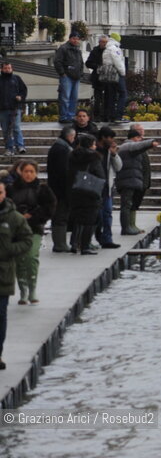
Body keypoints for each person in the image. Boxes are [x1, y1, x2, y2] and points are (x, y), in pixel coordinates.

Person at [10, 159, 55, 305]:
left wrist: (35, 216)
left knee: (31, 258)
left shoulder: (42, 189)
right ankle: (23, 290)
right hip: (15, 230)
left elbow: (50, 207)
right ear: (20, 172)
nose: (29, 174)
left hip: (34, 228)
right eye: (26, 171)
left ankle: (32, 289)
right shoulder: (11, 189)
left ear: (36, 173)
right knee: (19, 261)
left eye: (32, 171)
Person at [0, 179, 32, 368]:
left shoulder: (13, 218)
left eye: (0, 192)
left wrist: (10, 249)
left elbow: (27, 239)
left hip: (3, 275)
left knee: (0, 316)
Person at [117, 125, 158, 235]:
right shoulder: (128, 146)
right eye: (139, 137)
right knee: (126, 204)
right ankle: (126, 227)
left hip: (133, 180)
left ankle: (131, 225)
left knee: (132, 204)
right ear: (134, 138)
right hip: (128, 180)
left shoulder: (132, 147)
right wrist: (151, 143)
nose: (141, 140)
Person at [67, 134, 105, 255]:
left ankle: (74, 243)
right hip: (90, 191)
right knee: (90, 219)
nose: (95, 146)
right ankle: (85, 246)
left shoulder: (73, 156)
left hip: (75, 189)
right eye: (94, 144)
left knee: (78, 218)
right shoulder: (94, 157)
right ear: (90, 145)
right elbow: (100, 174)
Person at [46, 126, 75, 253]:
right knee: (60, 216)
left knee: (60, 216)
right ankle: (60, 244)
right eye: (73, 137)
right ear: (69, 136)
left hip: (56, 188)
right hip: (61, 190)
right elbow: (64, 171)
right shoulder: (63, 149)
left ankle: (61, 243)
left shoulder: (59, 146)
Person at [95, 127, 122, 249]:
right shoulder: (94, 149)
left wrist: (114, 154)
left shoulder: (109, 151)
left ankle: (107, 239)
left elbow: (119, 167)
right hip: (95, 188)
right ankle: (97, 236)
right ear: (103, 138)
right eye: (110, 138)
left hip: (107, 188)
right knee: (98, 216)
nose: (112, 141)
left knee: (107, 213)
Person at [52, 32, 84, 124]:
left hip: (76, 77)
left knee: (74, 98)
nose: (76, 40)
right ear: (70, 39)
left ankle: (71, 116)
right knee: (65, 97)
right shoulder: (63, 48)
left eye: (77, 39)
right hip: (67, 76)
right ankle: (63, 116)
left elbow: (81, 62)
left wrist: (81, 73)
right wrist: (62, 73)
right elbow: (57, 62)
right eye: (74, 38)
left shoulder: (78, 49)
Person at [0, 62, 27, 156]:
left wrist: (20, 97)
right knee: (5, 130)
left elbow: (24, 90)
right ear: (1, 69)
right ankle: (9, 148)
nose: (7, 70)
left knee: (16, 127)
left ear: (12, 69)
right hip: (2, 109)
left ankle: (20, 146)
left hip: (15, 108)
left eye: (9, 68)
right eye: (5, 68)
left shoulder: (16, 78)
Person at [85, 35, 108, 118]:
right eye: (103, 42)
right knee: (97, 98)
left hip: (107, 78)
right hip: (97, 78)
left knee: (107, 98)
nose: (104, 44)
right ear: (99, 42)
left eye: (106, 42)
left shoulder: (109, 51)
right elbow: (88, 63)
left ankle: (106, 115)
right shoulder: (95, 51)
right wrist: (98, 67)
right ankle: (97, 115)